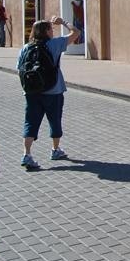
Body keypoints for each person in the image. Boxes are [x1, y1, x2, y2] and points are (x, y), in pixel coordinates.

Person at [17, 16, 80, 170]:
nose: (53, 31)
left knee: (30, 121)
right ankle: (55, 150)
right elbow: (76, 32)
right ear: (46, 31)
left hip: (31, 92)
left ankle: (27, 154)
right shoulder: (55, 44)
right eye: (51, 29)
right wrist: (63, 22)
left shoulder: (26, 47)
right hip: (54, 90)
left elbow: (20, 69)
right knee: (55, 119)